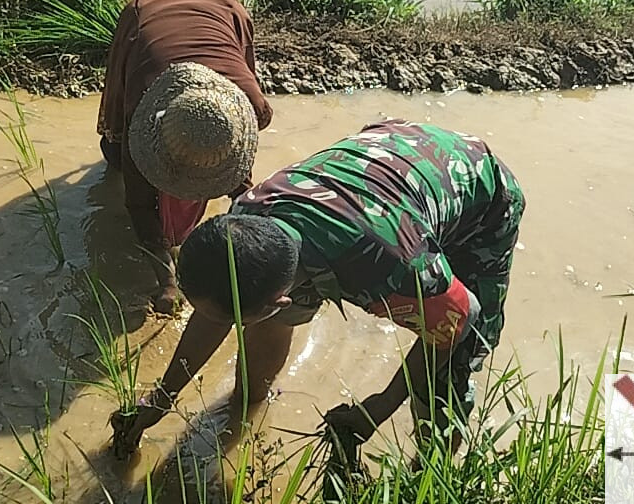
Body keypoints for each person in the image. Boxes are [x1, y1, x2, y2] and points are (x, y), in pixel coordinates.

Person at [111, 119, 525, 457]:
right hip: (385, 159)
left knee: (450, 372)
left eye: (231, 319)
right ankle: (248, 408)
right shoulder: (247, 218)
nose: (219, 323)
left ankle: (433, 469)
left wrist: (380, 406)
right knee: (262, 321)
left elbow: (458, 318)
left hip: (478, 192)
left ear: (280, 299)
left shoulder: (389, 265)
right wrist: (160, 399)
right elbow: (216, 310)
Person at [97, 0, 274, 314]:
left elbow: (243, 188)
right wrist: (167, 281)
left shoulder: (249, 109)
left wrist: (253, 258)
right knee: (115, 156)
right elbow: (138, 204)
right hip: (146, 14)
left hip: (224, 11)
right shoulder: (142, 115)